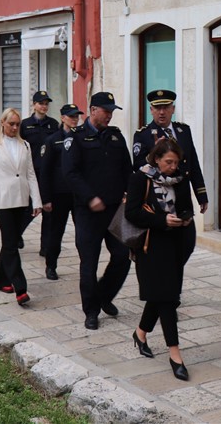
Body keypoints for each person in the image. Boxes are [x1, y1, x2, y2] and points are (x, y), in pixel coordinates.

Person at [126, 137, 196, 381]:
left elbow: (187, 207)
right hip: (151, 246)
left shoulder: (181, 179)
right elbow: (131, 212)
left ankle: (140, 333)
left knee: (161, 295)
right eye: (168, 162)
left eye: (176, 162)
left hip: (176, 244)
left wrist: (184, 218)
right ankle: (175, 354)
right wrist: (161, 220)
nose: (173, 167)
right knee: (168, 299)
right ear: (156, 159)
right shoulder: (140, 178)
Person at [62, 91, 133, 330]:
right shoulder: (76, 138)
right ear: (93, 110)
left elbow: (127, 170)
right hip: (87, 213)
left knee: (123, 256)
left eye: (112, 111)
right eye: (106, 111)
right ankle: (91, 311)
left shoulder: (115, 137)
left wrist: (130, 195)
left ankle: (104, 296)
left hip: (114, 210)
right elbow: (70, 173)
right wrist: (90, 197)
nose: (110, 116)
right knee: (89, 262)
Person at [0, 108, 43, 306]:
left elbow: (31, 174)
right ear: (2, 123)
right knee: (11, 243)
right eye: (11, 124)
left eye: (17, 124)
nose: (15, 127)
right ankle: (20, 287)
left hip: (22, 199)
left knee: (10, 242)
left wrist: (37, 201)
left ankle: (0, 280)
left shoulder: (25, 145)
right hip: (3, 201)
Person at [132, 89, 209, 214]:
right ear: (151, 110)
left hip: (183, 195)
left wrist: (201, 194)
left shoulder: (183, 130)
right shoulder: (143, 134)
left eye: (166, 107)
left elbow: (193, 164)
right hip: (160, 196)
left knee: (187, 225)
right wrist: (154, 152)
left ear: (173, 109)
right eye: (157, 108)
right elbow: (138, 166)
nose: (162, 112)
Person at [38, 103, 83, 280]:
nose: (75, 119)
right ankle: (51, 265)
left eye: (76, 116)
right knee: (55, 232)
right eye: (71, 116)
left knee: (83, 233)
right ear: (63, 118)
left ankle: (86, 265)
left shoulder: (82, 137)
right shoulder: (53, 140)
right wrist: (46, 198)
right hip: (59, 194)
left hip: (78, 193)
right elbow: (45, 171)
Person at [20, 90, 59, 256]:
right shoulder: (24, 125)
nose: (44, 106)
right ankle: (16, 234)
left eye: (46, 104)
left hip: (49, 173)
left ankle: (46, 247)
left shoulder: (53, 124)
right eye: (41, 103)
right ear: (34, 105)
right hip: (32, 172)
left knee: (49, 211)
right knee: (30, 208)